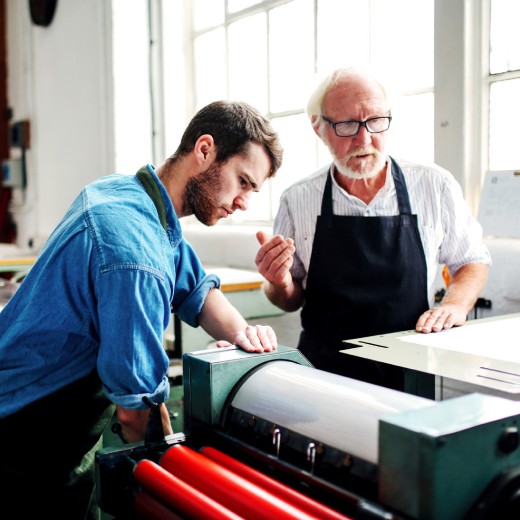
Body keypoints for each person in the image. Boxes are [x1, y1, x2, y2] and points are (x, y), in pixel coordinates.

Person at [0, 100, 283, 519]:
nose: (243, 202)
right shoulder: (134, 254)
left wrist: (247, 338)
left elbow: (198, 289)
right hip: (28, 429)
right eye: (242, 181)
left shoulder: (133, 197)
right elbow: (135, 409)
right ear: (204, 150)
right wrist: (175, 475)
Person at [255, 66, 490, 390]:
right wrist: (279, 281)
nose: (364, 139)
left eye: (376, 121)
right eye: (348, 125)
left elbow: (472, 260)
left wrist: (454, 305)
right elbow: (289, 299)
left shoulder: (435, 186)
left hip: (408, 370)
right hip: (322, 374)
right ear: (318, 128)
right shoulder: (298, 199)